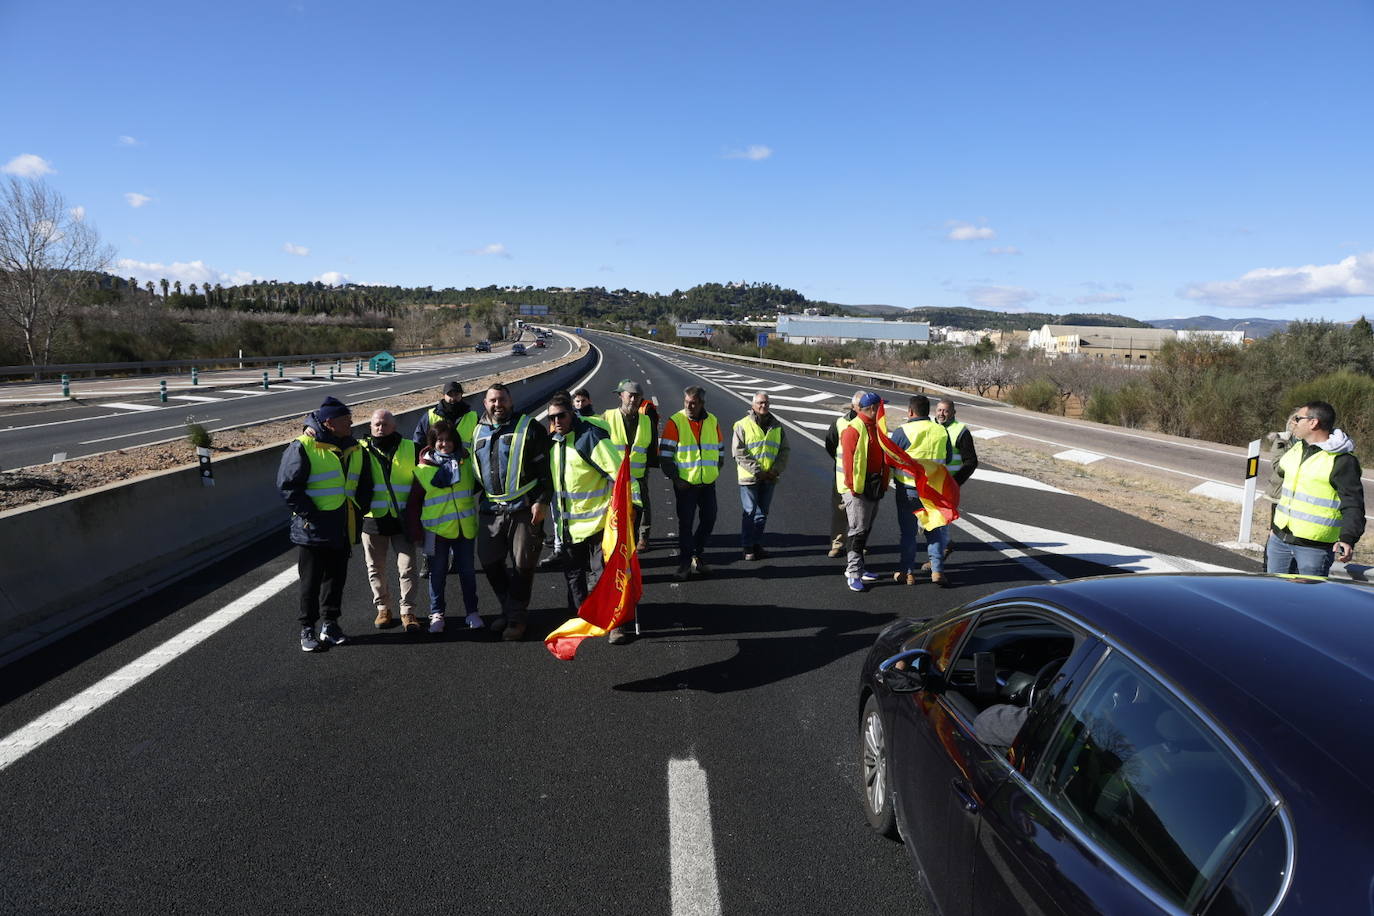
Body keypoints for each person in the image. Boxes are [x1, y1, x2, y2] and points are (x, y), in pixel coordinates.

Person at [276, 396, 367, 652]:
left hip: (342, 525)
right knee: (310, 582)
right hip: (313, 530)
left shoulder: (352, 446)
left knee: (336, 579)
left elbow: (363, 482)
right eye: (346, 420)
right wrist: (311, 514)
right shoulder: (303, 446)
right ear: (329, 423)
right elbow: (288, 486)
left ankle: (331, 624)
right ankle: (308, 628)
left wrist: (361, 508)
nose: (351, 423)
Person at [547, 393, 635, 643]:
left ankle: (614, 623)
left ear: (572, 414)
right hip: (568, 526)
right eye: (552, 418)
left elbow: (620, 473)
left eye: (561, 415)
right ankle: (582, 617)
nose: (557, 421)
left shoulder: (590, 439)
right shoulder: (553, 443)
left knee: (604, 576)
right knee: (573, 578)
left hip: (599, 524)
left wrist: (631, 505)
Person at [472, 383, 552, 642]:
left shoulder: (529, 427)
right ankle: (509, 608)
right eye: (493, 401)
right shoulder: (477, 431)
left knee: (522, 565)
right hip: (490, 509)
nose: (498, 405)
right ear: (485, 403)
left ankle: (516, 619)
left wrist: (541, 500)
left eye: (502, 400)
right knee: (488, 560)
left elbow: (546, 471)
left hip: (523, 508)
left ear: (511, 400)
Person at [1266, 400, 1365, 576]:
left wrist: (1348, 539)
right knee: (1274, 598)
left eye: (1298, 418)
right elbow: (1282, 480)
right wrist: (1274, 530)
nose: (1293, 422)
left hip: (1314, 548)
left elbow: (1354, 504)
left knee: (1307, 601)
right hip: (1279, 541)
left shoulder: (1342, 460)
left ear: (1313, 422)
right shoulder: (1297, 448)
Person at [405, 421, 482, 634]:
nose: (444, 444)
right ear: (432, 442)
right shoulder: (422, 470)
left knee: (467, 573)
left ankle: (472, 612)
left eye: (448, 440)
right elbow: (413, 505)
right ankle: (437, 613)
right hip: (435, 532)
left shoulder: (467, 464)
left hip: (464, 529)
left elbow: (479, 485)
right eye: (439, 440)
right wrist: (416, 532)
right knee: (437, 574)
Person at [358, 409, 422, 632]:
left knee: (408, 567)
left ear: (394, 427)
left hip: (402, 519)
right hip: (373, 519)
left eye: (385, 424)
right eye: (376, 424)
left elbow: (422, 480)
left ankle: (408, 611)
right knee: (375, 567)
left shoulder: (410, 448)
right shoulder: (360, 449)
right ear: (370, 426)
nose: (380, 428)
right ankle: (383, 607)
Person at [887, 395, 953, 587]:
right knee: (934, 530)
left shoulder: (902, 431)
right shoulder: (941, 431)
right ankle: (937, 571)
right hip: (934, 490)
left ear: (910, 411)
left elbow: (890, 459)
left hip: (908, 490)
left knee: (908, 533)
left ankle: (907, 573)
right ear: (929, 412)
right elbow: (947, 458)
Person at [660, 385, 723, 580]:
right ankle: (685, 564)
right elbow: (665, 455)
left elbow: (720, 450)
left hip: (707, 484)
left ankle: (698, 553)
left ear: (702, 403)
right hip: (685, 485)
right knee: (685, 524)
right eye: (686, 402)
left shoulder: (712, 421)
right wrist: (676, 479)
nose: (689, 406)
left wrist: (714, 471)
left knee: (709, 519)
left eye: (693, 403)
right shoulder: (676, 421)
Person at [838, 392, 889, 592]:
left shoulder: (877, 428)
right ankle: (853, 572)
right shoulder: (854, 429)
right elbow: (848, 462)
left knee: (865, 529)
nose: (884, 411)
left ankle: (859, 567)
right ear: (873, 408)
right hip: (858, 490)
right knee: (858, 531)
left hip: (874, 486)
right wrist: (853, 488)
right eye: (882, 407)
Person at [732, 391, 790, 560]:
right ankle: (747, 547)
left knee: (762, 513)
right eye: (760, 403)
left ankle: (756, 544)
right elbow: (738, 452)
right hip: (750, 477)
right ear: (753, 405)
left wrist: (775, 470)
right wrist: (758, 471)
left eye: (765, 403)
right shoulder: (741, 425)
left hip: (770, 477)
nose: (763, 405)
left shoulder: (777, 426)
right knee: (749, 512)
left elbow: (784, 450)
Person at [602, 379, 659, 548]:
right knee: (613, 515)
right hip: (614, 478)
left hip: (638, 477)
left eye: (637, 397)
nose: (633, 400)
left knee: (641, 510)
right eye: (630, 396)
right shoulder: (607, 416)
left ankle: (641, 538)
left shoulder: (646, 421)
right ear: (621, 396)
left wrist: (649, 468)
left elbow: (651, 446)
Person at [934, 398, 978, 562]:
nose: (941, 414)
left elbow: (971, 461)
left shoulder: (961, 431)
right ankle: (945, 544)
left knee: (939, 520)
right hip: (930, 484)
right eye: (939, 410)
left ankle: (938, 558)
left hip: (949, 484)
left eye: (945, 411)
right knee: (927, 520)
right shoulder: (932, 427)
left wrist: (956, 482)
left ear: (953, 412)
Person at [824, 393, 863, 557]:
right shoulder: (840, 423)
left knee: (861, 515)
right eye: (862, 405)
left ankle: (858, 545)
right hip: (842, 479)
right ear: (854, 406)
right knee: (840, 512)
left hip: (863, 479)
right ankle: (837, 544)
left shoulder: (871, 424)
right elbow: (831, 445)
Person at [413, 380, 478, 451]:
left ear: (461, 395)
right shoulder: (430, 416)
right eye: (450, 395)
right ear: (444, 395)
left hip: (465, 461)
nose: (453, 398)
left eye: (456, 394)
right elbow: (419, 441)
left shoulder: (473, 416)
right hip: (437, 461)